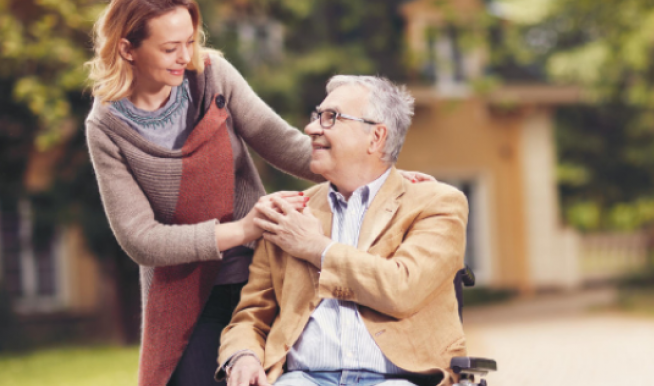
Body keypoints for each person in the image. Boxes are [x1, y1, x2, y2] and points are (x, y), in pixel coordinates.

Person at [84, 1, 430, 386]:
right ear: (127, 48)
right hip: (185, 290)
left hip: (259, 275)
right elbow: (140, 239)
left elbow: (280, 141)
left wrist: (375, 173)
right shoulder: (106, 128)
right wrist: (245, 228)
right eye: (169, 48)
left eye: (190, 40)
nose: (185, 56)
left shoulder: (210, 76)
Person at [217, 75, 469, 386]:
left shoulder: (438, 203)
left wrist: (315, 247)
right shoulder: (289, 211)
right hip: (303, 378)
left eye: (331, 118)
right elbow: (251, 317)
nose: (311, 129)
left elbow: (402, 289)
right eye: (315, 116)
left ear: (376, 137)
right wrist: (243, 355)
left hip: (398, 380)